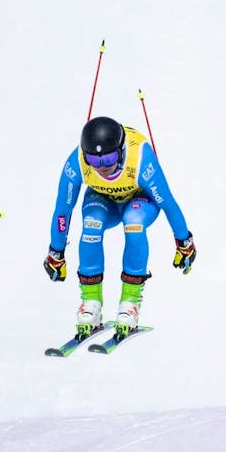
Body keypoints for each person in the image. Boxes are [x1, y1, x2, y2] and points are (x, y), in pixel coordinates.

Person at [43, 116, 196, 338]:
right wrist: (55, 252)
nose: (102, 167)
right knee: (91, 226)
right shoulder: (76, 162)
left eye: (110, 158)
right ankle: (91, 303)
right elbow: (62, 211)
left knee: (133, 224)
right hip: (103, 199)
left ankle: (130, 304)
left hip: (140, 200)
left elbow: (168, 203)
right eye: (94, 162)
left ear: (122, 151)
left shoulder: (140, 159)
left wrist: (185, 242)